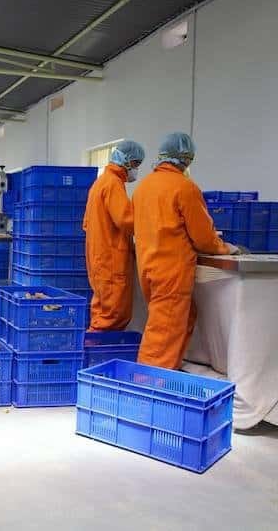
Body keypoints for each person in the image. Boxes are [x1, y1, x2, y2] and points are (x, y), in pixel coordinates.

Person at [132, 132, 241, 370]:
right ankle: (149, 382)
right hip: (171, 271)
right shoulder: (184, 188)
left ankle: (169, 368)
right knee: (164, 330)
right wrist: (226, 249)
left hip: (148, 268)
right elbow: (203, 238)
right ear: (186, 158)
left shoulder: (143, 188)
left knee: (182, 317)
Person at [83, 140, 145, 331]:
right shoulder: (113, 184)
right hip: (111, 260)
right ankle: (100, 354)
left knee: (102, 309)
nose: (136, 170)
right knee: (112, 315)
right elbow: (126, 220)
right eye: (135, 164)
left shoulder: (101, 183)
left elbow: (87, 223)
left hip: (99, 257)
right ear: (125, 161)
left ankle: (96, 353)